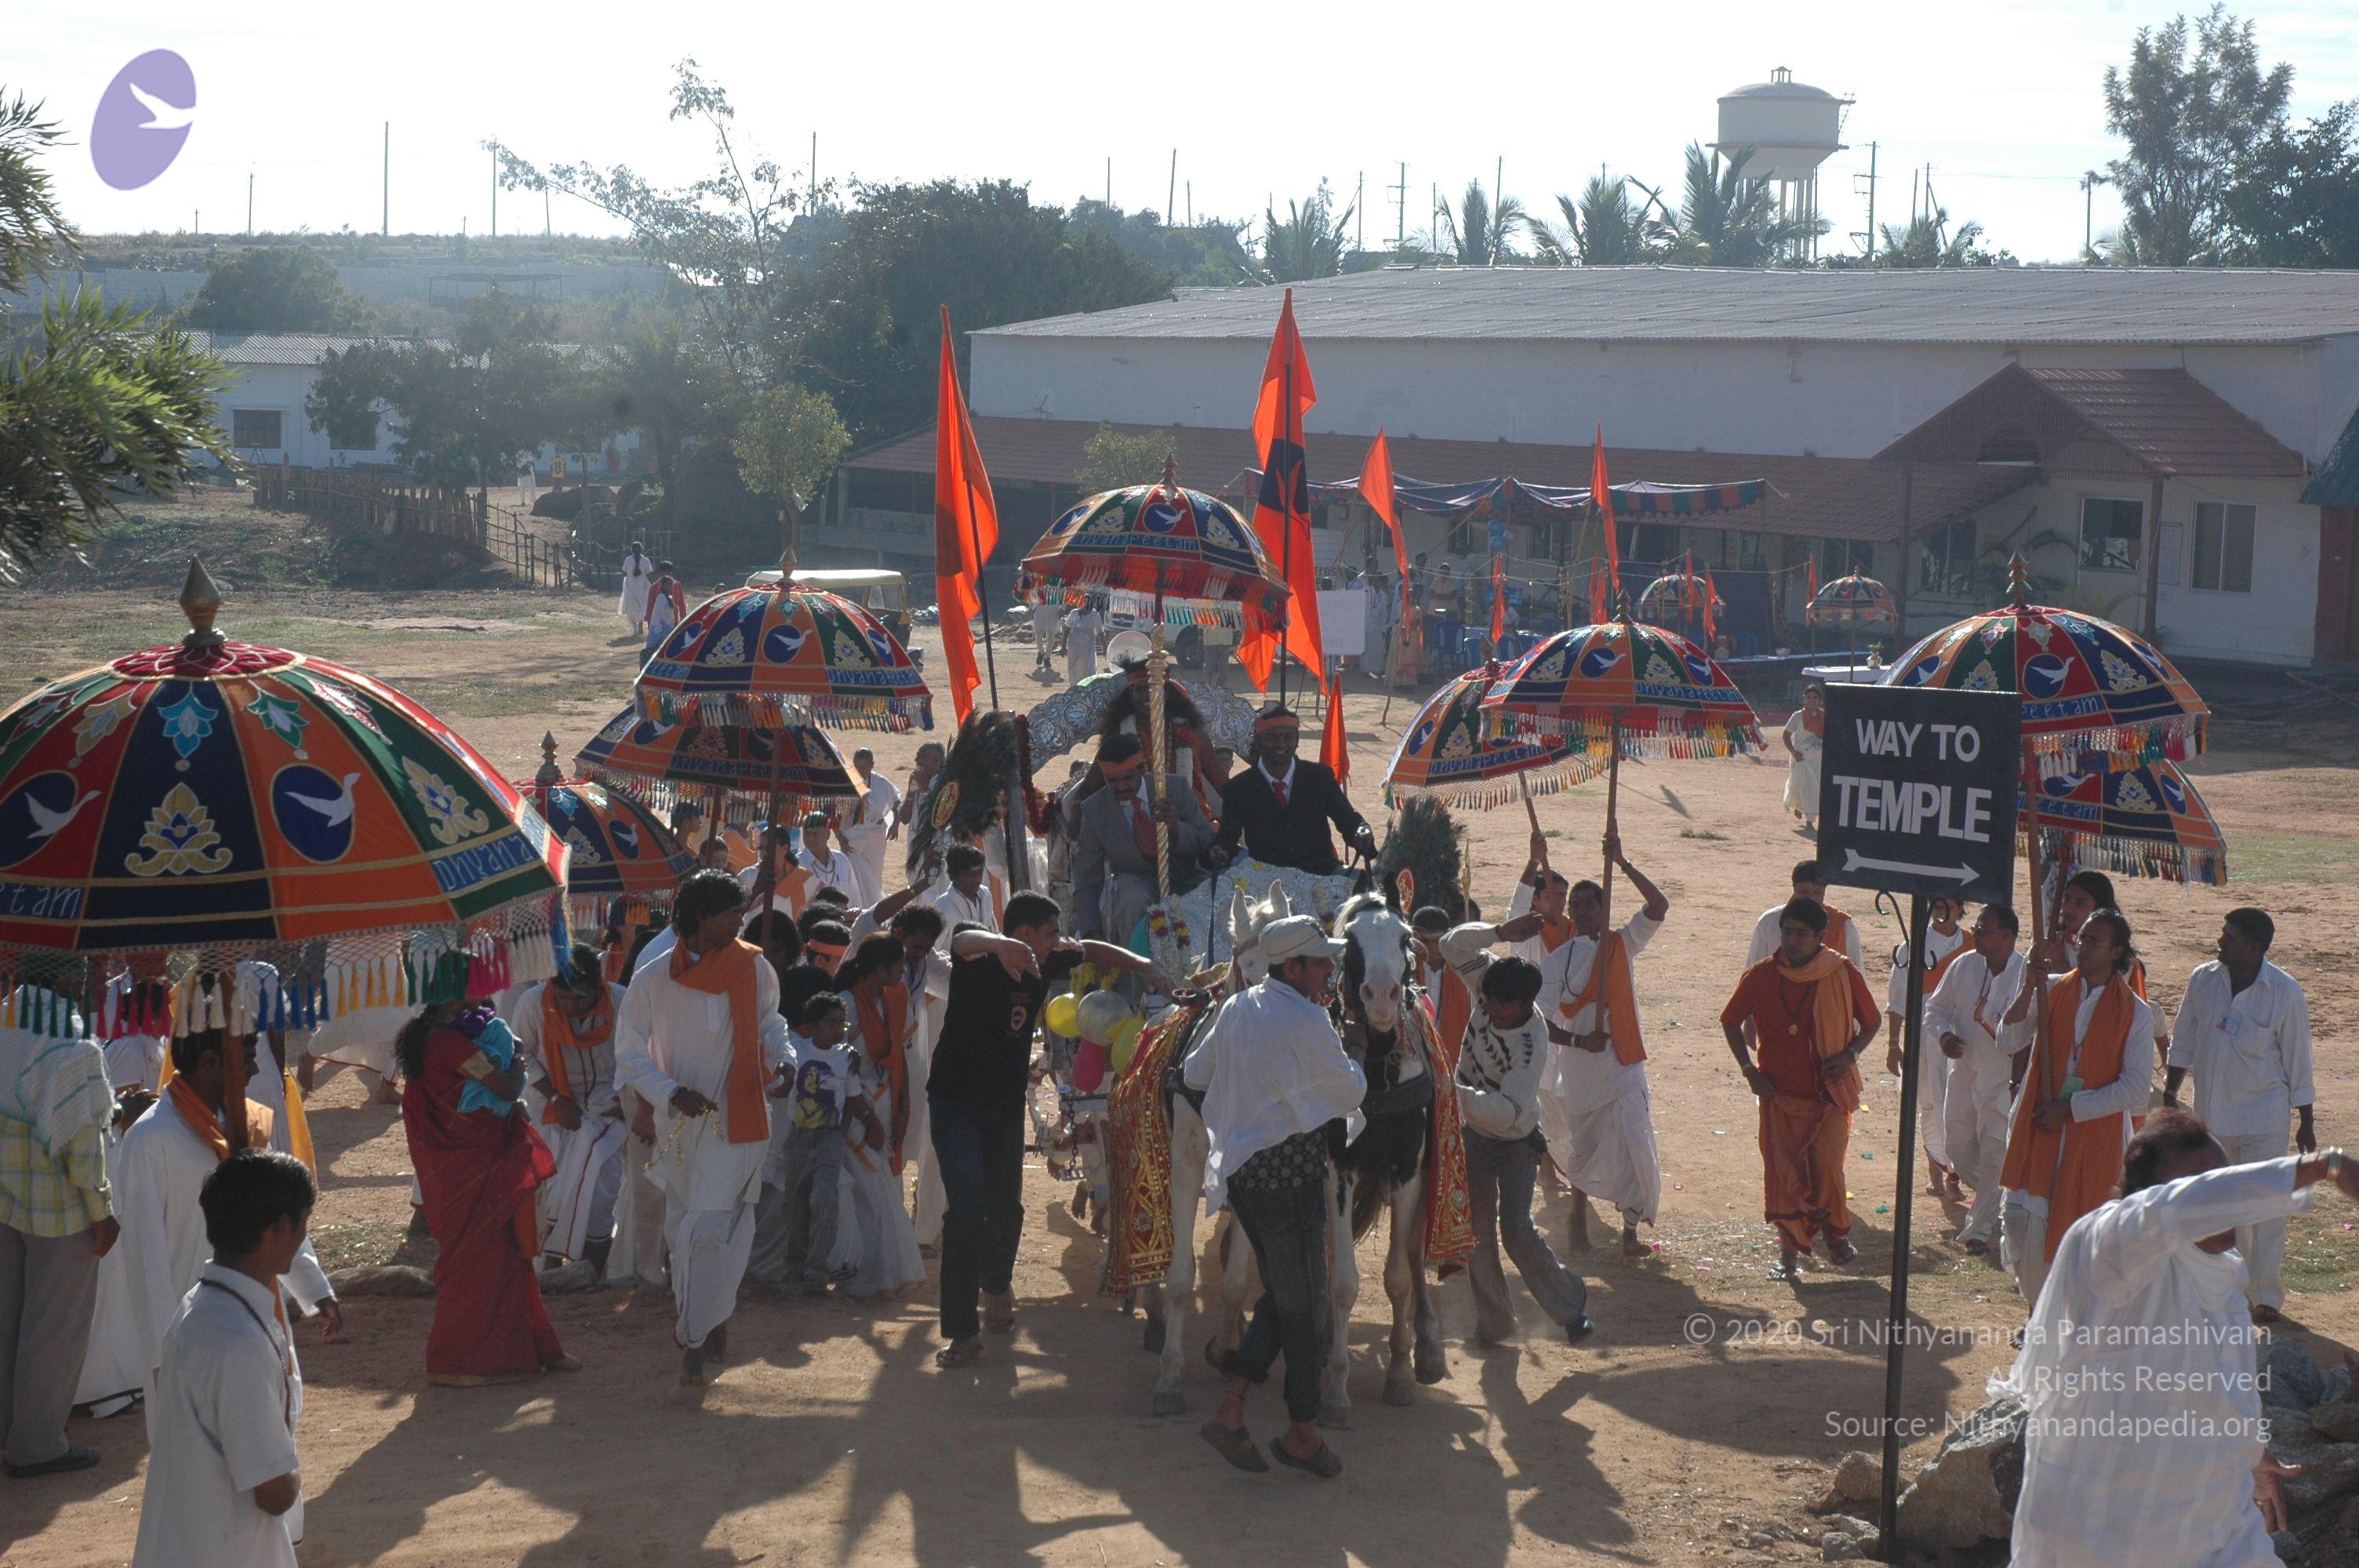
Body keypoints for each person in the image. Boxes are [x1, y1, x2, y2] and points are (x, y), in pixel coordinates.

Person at [1998, 1110, 2359, 1567]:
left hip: (2211, 1527)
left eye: (2225, 1180)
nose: (2226, 1203)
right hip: (2098, 1529)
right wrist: (2326, 1166)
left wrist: (2248, 1453)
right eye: (2203, 1187)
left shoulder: (2222, 1274)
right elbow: (2169, 1212)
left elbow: (2209, 1388)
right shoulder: (2108, 1248)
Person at [930, 893, 1168, 1369]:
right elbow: (963, 940)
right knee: (966, 1213)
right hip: (956, 1105)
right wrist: (1000, 945)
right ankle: (961, 1332)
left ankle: (996, 1286)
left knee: (1006, 1208)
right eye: (1050, 933)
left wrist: (1144, 965)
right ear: (1024, 934)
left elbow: (1092, 950)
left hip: (1002, 1108)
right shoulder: (980, 958)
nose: (1059, 941)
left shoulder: (1048, 957)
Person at [1187, 916, 1363, 1479]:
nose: (1330, 968)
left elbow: (1195, 1072)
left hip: (1244, 1177)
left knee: (1288, 1297)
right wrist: (1346, 1061)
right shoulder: (1310, 1020)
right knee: (1306, 1310)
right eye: (1320, 961)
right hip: (1290, 1181)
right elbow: (1351, 1090)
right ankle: (1301, 1432)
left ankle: (1235, 1406)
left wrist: (1257, 1090)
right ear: (1293, 968)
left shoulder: (1237, 1006)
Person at [617, 870, 789, 1385]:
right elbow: (629, 1053)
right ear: (700, 917)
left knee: (715, 1227)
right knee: (684, 1231)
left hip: (741, 1118)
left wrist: (785, 1060)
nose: (740, 920)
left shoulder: (754, 967)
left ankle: (694, 1336)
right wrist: (670, 1094)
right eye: (731, 913)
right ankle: (711, 1315)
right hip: (680, 1123)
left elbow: (771, 1022)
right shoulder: (653, 979)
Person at [117, 1029, 338, 1415]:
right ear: (209, 1063)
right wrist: (164, 1351)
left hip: (256, 1307)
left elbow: (278, 1216)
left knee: (267, 1421)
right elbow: (143, 1254)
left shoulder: (247, 1124)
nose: (256, 1071)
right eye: (246, 1061)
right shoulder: (151, 1139)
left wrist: (315, 1288)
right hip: (188, 1327)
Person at [129, 1149, 314, 1568]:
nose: (304, 1235)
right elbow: (275, 1492)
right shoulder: (237, 1339)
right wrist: (290, 1470)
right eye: (303, 1222)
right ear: (281, 1227)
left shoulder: (200, 1306)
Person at [398, 1000, 573, 1385]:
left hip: (466, 1161)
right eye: (467, 988)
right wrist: (518, 1060)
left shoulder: (431, 1037)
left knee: (502, 1254)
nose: (476, 998)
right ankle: (462, 1363)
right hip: (471, 1165)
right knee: (485, 1259)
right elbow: (505, 1088)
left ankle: (530, 1348)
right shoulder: (447, 1043)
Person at [1438, 920, 1595, 1346]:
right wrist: (1500, 932)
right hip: (1474, 1134)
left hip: (1515, 1141)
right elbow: (1451, 945)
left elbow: (1506, 1113)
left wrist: (1450, 1092)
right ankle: (1497, 1323)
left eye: (1502, 1005)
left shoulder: (1530, 1045)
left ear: (1525, 1004)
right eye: (1487, 999)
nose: (1490, 1008)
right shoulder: (1490, 988)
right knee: (1477, 1231)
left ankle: (1571, 1308)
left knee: (1516, 1230)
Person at [2164, 907, 2315, 1323]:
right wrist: (2170, 1094)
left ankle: (2266, 1295)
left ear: (2254, 947)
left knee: (2265, 1207)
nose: (2221, 941)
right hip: (2212, 1117)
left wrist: (2306, 1122)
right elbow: (2183, 1039)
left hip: (2264, 1118)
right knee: (2220, 1207)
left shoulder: (2284, 991)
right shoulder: (2203, 979)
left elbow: (2298, 1060)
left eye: (2230, 937)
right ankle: (2230, 1290)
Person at [1720, 897, 1881, 1279]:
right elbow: (1729, 1020)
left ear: (1821, 936)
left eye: (1800, 934)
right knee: (1784, 1176)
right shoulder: (1761, 975)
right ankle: (1788, 1260)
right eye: (1787, 933)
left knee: (1827, 1168)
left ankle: (1835, 1234)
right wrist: (1748, 1070)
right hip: (1778, 1095)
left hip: (1829, 1093)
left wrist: (1851, 1054)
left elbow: (1872, 1021)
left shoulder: (1841, 972)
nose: (1791, 941)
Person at [1998, 909, 2154, 1307]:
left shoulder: (2137, 1013)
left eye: (2093, 942)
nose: (2082, 947)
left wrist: (2070, 1110)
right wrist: (2028, 987)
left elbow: (2136, 1090)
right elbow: (2007, 1040)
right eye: (2081, 938)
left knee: (2081, 1234)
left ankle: (2065, 1318)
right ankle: (2037, 1311)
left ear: (2116, 952)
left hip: (2094, 1138)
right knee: (2020, 1223)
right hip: (2038, 1129)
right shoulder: (2051, 988)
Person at [1536, 833, 1670, 1257]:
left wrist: (1623, 862)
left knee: (1635, 1144)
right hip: (1581, 1072)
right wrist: (1579, 1039)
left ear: (1603, 907)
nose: (1581, 912)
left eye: (1589, 905)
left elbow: (1659, 906)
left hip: (1624, 1065)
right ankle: (1577, 1219)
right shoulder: (1559, 961)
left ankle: (1630, 1232)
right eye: (1575, 906)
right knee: (1584, 1150)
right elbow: (1539, 1019)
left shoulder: (1622, 944)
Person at [0, 998, 118, 1478]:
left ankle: (9, 1431)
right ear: (68, 976)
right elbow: (84, 1149)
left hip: (6, 1201)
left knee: (8, 1322)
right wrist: (102, 1211)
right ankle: (37, 1444)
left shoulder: (6, 1020)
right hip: (61, 1214)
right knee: (54, 1335)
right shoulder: (74, 1043)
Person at [509, 946, 629, 1281]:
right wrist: (555, 1098)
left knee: (601, 1198)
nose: (571, 1007)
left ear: (598, 987)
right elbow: (521, 1056)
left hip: (609, 1112)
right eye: (563, 998)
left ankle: (591, 1276)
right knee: (552, 1196)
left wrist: (628, 1099)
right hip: (552, 1112)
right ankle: (549, 1274)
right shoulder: (533, 1003)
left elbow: (638, 1052)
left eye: (580, 999)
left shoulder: (622, 1001)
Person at [1927, 904, 2029, 1253]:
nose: (1977, 935)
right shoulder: (1964, 964)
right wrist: (1944, 1036)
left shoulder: (2026, 976)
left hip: (2003, 1081)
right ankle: (2003, 1197)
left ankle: (1978, 1232)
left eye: (1985, 931)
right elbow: (1935, 1010)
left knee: (1994, 1155)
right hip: (1964, 1072)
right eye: (1977, 928)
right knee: (1957, 1149)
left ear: (2007, 937)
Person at [833, 935, 927, 1300]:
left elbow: (899, 1058)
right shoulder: (845, 1005)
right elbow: (842, 1069)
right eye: (898, 966)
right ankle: (867, 1278)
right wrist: (869, 1119)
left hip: (886, 1105)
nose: (903, 972)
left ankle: (885, 1276)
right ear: (880, 969)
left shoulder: (894, 1000)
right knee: (869, 1195)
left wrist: (904, 1111)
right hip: (854, 1109)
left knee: (886, 1192)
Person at [749, 994, 861, 1296]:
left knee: (824, 1199)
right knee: (796, 1203)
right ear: (812, 1026)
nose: (837, 1030)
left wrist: (841, 1132)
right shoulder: (797, 1050)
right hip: (798, 1137)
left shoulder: (847, 1057)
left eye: (842, 1025)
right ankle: (795, 1267)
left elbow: (853, 1097)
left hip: (829, 1138)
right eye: (830, 1024)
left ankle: (816, 1272)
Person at [1070, 734, 1215, 948]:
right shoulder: (1094, 810)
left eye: (1128, 778)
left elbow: (1206, 840)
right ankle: (1138, 965)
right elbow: (1087, 878)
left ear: (1141, 769)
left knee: (1210, 895)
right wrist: (1092, 933)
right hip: (1135, 881)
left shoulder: (1175, 788)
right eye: (1113, 781)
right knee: (1131, 900)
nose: (1121, 787)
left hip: (1185, 875)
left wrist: (1176, 829)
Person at [1210, 705, 1377, 875]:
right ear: (1258, 742)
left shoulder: (1320, 777)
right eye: (1272, 737)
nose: (1281, 744)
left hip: (1323, 873)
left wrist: (1361, 832)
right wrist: (1220, 852)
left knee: (1362, 883)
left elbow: (1348, 820)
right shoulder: (1238, 789)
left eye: (1288, 737)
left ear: (1297, 741)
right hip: (1266, 880)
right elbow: (1228, 839)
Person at [1885, 897, 1969, 1199]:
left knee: (1960, 1106)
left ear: (1960, 908)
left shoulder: (1975, 944)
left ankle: (1956, 1174)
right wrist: (1894, 1044)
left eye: (1949, 902)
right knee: (1930, 1102)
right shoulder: (1912, 947)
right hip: (1924, 1038)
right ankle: (1938, 1172)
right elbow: (1897, 1001)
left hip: (1963, 1036)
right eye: (1937, 901)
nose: (1942, 907)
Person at [1747, 859, 1863, 971]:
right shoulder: (1769, 922)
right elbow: (1754, 971)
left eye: (1817, 892)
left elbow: (1856, 975)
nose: (1811, 899)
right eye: (1804, 892)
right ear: (1794, 889)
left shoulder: (1843, 926)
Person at [1410, 907, 1474, 1066]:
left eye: (1438, 941)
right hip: (1414, 1057)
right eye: (1425, 942)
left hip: (1453, 1057)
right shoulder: (1405, 969)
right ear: (1414, 937)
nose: (1433, 949)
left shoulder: (1464, 969)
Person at [841, 749, 901, 898]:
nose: (859, 770)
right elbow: (834, 814)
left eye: (863, 767)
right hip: (851, 837)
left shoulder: (882, 783)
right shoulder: (845, 783)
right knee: (852, 873)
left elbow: (896, 804)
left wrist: (895, 825)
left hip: (875, 836)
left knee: (875, 873)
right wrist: (840, 838)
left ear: (872, 765)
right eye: (856, 766)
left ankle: (874, 905)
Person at [798, 811, 878, 909]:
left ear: (828, 834)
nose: (810, 838)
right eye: (807, 834)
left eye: (816, 834)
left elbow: (855, 899)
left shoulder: (842, 860)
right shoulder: (798, 865)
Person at [930, 844, 999, 944]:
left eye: (980, 872)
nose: (977, 879)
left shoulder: (985, 895)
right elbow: (931, 949)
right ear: (954, 876)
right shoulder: (941, 909)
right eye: (970, 875)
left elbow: (994, 934)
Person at [1781, 684, 1826, 829]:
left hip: (1817, 758)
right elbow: (1786, 736)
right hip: (1799, 758)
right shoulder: (1798, 716)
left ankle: (1810, 822)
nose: (1812, 700)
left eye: (1815, 698)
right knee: (1799, 786)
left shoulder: (1824, 717)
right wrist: (1794, 752)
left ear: (1820, 700)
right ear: (1804, 699)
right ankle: (1799, 807)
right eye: (1809, 697)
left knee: (1814, 789)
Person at [642, 559, 688, 664]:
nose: (667, 573)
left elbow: (681, 604)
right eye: (664, 571)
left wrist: (684, 620)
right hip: (659, 624)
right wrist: (650, 623)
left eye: (669, 571)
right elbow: (650, 606)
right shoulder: (654, 588)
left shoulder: (677, 585)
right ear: (660, 572)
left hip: (674, 621)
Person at [1064, 601, 1103, 688]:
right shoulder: (1074, 613)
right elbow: (1067, 629)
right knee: (1073, 669)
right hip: (1073, 648)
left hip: (1087, 649)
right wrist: (1063, 647)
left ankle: (1086, 688)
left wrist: (1105, 648)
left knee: (1087, 669)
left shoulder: (1095, 615)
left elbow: (1100, 632)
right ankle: (1074, 688)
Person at [617, 539, 654, 630]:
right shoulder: (645, 561)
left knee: (632, 607)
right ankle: (639, 625)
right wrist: (652, 584)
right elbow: (649, 574)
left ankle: (636, 627)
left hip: (633, 586)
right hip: (640, 586)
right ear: (642, 549)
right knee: (641, 606)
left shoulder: (629, 560)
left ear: (632, 550)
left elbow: (624, 571)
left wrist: (629, 577)